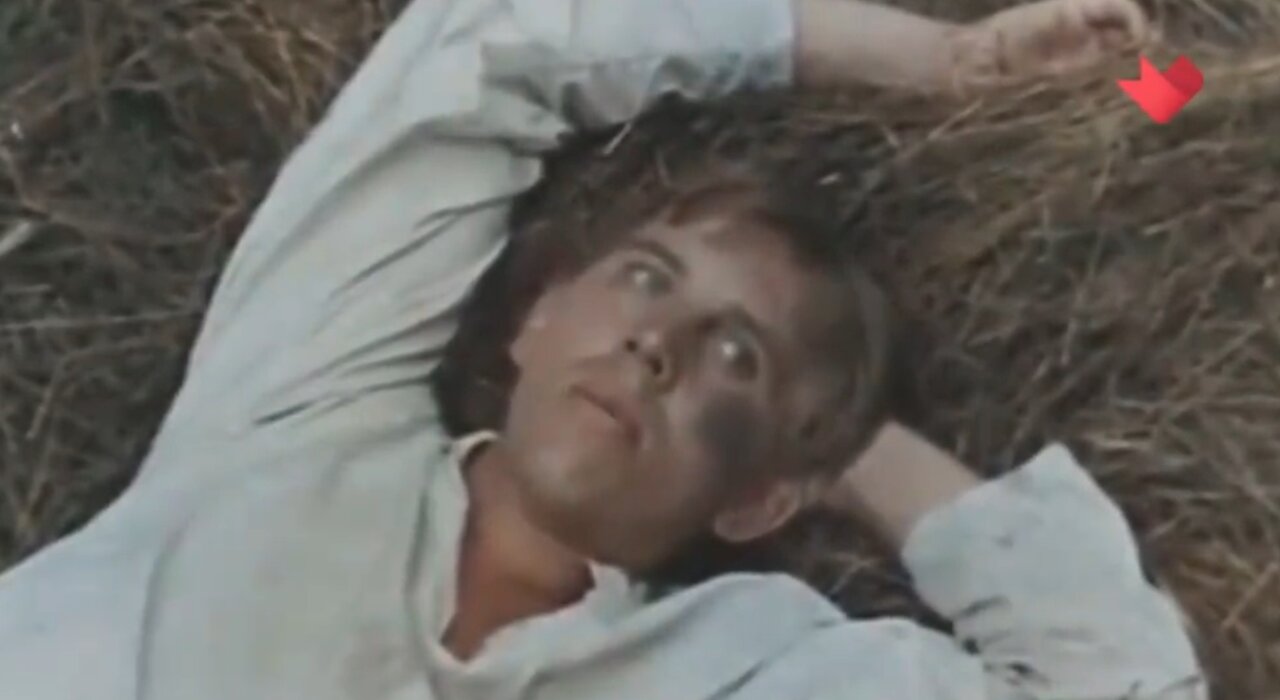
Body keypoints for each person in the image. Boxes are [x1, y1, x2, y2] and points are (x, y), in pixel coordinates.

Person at [0, 0, 1204, 698]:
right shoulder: (304, 406)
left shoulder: (730, 669)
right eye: (644, 278)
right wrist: (936, 62)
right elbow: (486, 45)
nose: (654, 343)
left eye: (734, 357)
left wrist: (844, 455)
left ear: (756, 499)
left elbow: (1118, 685)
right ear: (534, 318)